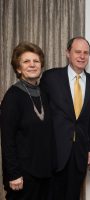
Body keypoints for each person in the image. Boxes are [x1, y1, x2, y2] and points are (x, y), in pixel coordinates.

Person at [40, 36, 90, 200]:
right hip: (54, 152)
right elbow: (41, 115)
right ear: (67, 53)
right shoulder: (50, 78)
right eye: (77, 51)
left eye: (86, 53)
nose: (82, 56)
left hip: (79, 153)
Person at [0, 42, 55, 200]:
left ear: (41, 66)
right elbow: (7, 141)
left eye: (36, 61)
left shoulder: (44, 93)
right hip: (23, 177)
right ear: (18, 68)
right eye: (26, 61)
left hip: (45, 174)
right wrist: (14, 174)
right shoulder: (12, 97)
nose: (32, 65)